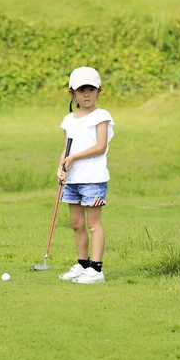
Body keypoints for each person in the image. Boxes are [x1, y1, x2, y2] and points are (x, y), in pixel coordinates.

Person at [57, 66, 115, 284]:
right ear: (72, 93)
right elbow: (66, 148)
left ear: (99, 90)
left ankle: (96, 270)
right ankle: (82, 264)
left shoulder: (102, 116)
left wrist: (73, 159)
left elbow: (100, 146)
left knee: (93, 223)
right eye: (82, 90)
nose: (87, 94)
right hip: (73, 180)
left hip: (93, 179)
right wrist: (61, 166)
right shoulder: (68, 120)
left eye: (91, 89)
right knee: (76, 224)